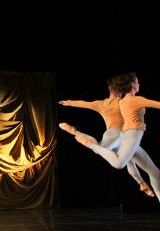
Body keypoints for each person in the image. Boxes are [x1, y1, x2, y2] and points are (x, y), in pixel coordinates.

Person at [61, 72, 160, 200]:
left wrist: (69, 102)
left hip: (124, 135)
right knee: (115, 158)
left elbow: (85, 103)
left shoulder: (111, 103)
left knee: (143, 167)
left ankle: (140, 182)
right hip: (119, 134)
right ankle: (80, 136)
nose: (138, 84)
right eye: (136, 82)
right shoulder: (124, 101)